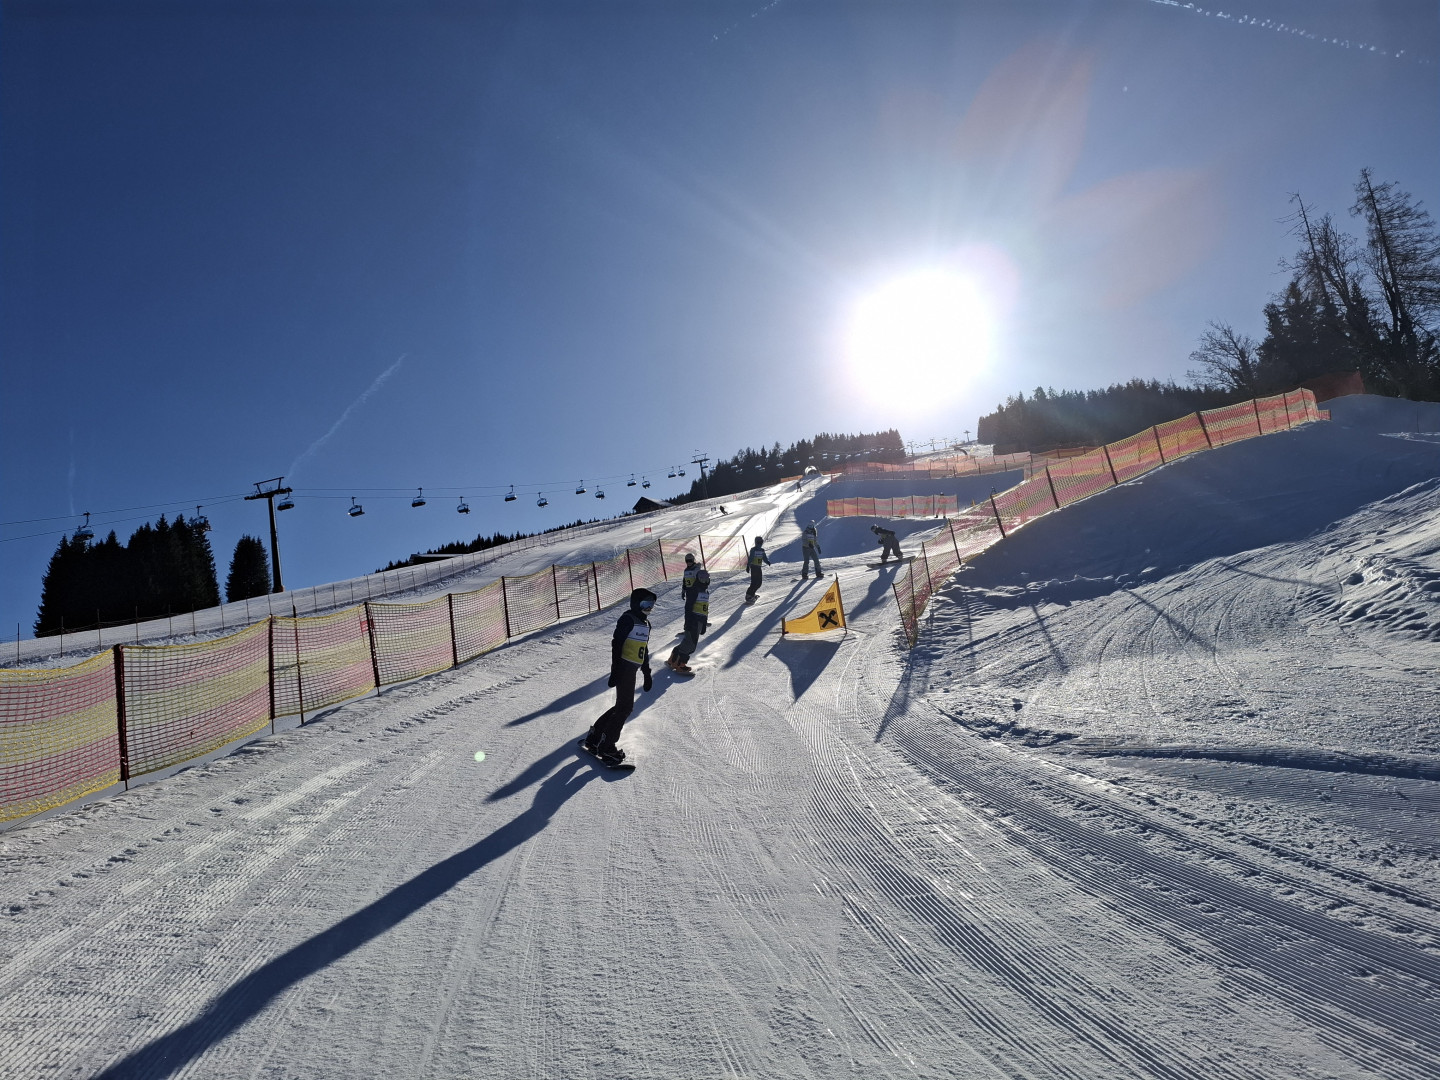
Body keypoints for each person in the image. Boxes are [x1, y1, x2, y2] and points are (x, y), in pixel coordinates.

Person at [582, 587, 655, 765]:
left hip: (632, 669)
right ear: (636, 604)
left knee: (621, 706)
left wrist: (646, 672)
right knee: (625, 708)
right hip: (624, 667)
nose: (649, 608)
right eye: (645, 604)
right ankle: (607, 747)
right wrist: (615, 670)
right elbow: (617, 644)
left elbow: (643, 649)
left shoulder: (646, 624)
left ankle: (595, 736)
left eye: (651, 604)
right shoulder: (628, 619)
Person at [667, 554, 710, 675]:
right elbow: (688, 607)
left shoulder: (705, 592)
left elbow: (704, 610)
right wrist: (687, 622)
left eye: (707, 578)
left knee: (687, 642)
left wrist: (704, 624)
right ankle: (680, 664)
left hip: (699, 621)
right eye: (702, 579)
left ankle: (673, 659)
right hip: (693, 621)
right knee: (691, 645)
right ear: (698, 579)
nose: (705, 581)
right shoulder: (694, 591)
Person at [744, 535, 770, 603]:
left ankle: (752, 594)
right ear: (756, 542)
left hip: (758, 568)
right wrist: (748, 566)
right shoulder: (753, 550)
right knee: (754, 582)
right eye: (759, 542)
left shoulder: (762, 550)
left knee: (759, 583)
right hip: (754, 567)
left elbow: (764, 557)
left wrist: (767, 562)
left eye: (761, 542)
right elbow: (751, 558)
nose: (760, 543)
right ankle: (748, 595)